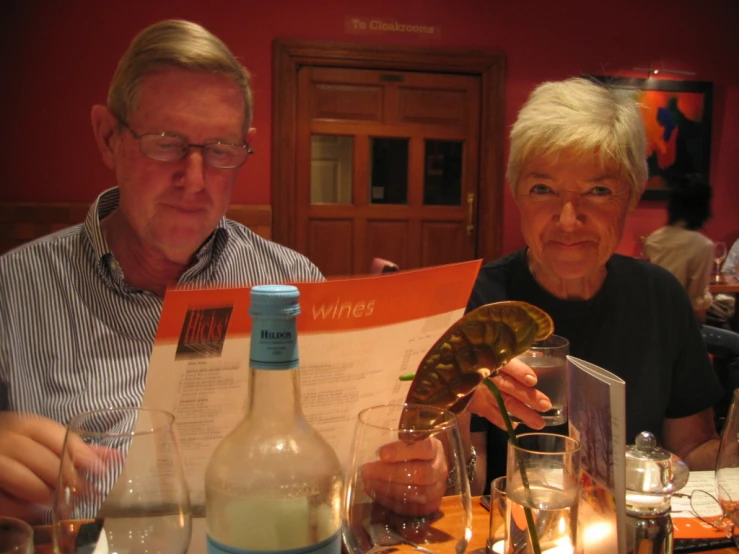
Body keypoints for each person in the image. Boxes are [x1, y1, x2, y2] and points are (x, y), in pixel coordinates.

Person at [0, 19, 542, 522]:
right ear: (107, 136)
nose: (194, 178)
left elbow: (353, 465)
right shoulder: (14, 289)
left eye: (220, 150)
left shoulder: (290, 281)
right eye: (166, 143)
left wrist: (404, 475)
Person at [466, 77, 723, 489]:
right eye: (542, 189)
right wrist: (459, 409)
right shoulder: (478, 302)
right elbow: (468, 480)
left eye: (599, 190)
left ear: (633, 196)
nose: (568, 220)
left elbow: (689, 454)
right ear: (516, 194)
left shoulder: (661, 298)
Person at [643, 173, 739, 415]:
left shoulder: (655, 238)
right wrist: (694, 343)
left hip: (649, 322)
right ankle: (724, 412)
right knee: (736, 345)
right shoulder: (701, 245)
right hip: (678, 326)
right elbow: (696, 306)